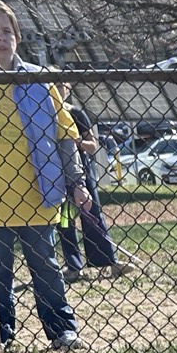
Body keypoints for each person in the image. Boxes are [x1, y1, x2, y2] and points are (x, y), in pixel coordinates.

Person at [0, 0, 83, 348]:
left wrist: (76, 182)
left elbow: (66, 135)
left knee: (46, 268)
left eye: (8, 31)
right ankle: (1, 334)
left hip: (39, 194)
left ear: (17, 38)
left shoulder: (40, 80)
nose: (1, 37)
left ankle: (62, 330)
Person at [55, 82, 123, 278]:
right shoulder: (44, 113)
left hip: (81, 173)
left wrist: (74, 142)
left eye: (61, 85)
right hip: (58, 175)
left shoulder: (76, 113)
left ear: (68, 89)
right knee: (66, 221)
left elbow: (92, 145)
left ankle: (106, 259)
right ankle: (74, 265)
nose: (58, 89)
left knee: (91, 214)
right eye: (53, 85)